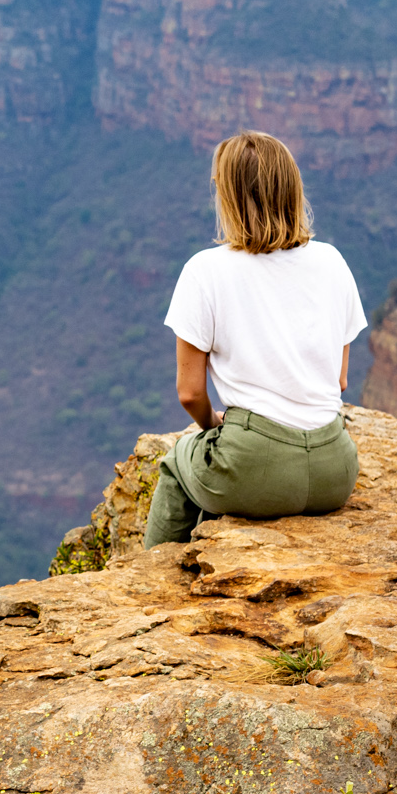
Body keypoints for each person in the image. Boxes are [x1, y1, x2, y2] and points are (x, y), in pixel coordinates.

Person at [144, 130, 367, 547]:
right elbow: (339, 381)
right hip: (334, 471)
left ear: (228, 196)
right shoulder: (333, 261)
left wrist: (213, 426)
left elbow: (190, 393)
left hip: (254, 467)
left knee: (179, 466)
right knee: (229, 469)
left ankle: (151, 578)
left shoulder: (205, 271)